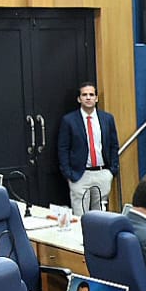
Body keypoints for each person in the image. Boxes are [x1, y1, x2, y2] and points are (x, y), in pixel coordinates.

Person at [56, 81, 119, 215]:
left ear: (96, 98)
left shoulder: (107, 119)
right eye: (84, 95)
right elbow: (63, 148)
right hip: (80, 175)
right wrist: (69, 174)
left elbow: (114, 145)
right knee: (80, 216)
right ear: (79, 99)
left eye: (91, 95)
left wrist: (112, 170)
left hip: (102, 173)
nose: (88, 98)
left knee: (100, 217)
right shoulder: (69, 120)